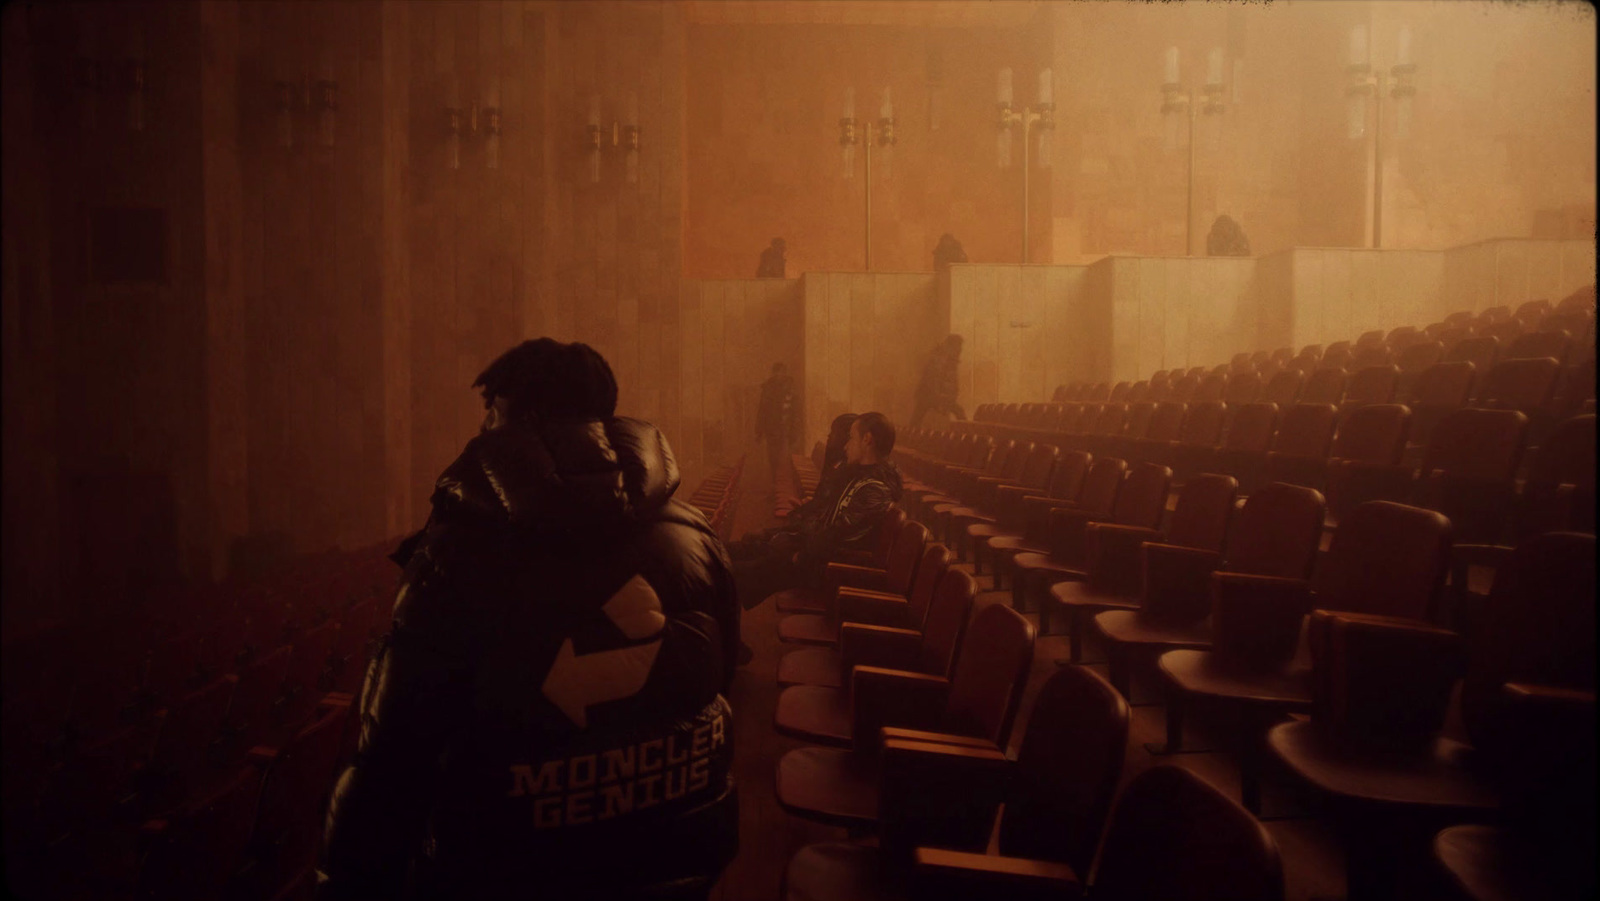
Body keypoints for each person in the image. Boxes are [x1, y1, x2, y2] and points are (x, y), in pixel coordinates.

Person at [318, 339, 739, 901]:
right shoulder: (693, 535)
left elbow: (391, 764)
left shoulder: (460, 556)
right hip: (678, 867)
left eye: (492, 407)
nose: (485, 423)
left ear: (523, 417)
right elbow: (718, 678)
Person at [727, 412, 902, 619]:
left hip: (829, 569)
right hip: (816, 556)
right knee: (734, 556)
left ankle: (728, 644)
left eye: (852, 438)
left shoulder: (874, 488)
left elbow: (836, 534)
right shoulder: (860, 477)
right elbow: (829, 523)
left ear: (867, 440)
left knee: (732, 574)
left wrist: (800, 553)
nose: (845, 446)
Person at [754, 362, 801, 483]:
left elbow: (796, 411)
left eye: (782, 372)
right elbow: (762, 410)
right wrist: (759, 430)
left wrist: (795, 430)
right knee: (773, 460)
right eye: (777, 372)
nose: (780, 375)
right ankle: (776, 489)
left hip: (787, 431)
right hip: (772, 430)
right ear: (774, 373)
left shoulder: (791, 388)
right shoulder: (768, 388)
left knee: (786, 461)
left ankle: (783, 491)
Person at [911, 334, 966, 428]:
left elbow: (950, 382)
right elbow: (933, 380)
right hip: (931, 395)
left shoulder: (948, 359)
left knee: (918, 415)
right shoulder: (940, 360)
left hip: (935, 396)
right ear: (951, 346)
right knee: (919, 415)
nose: (960, 350)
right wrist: (939, 399)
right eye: (958, 346)